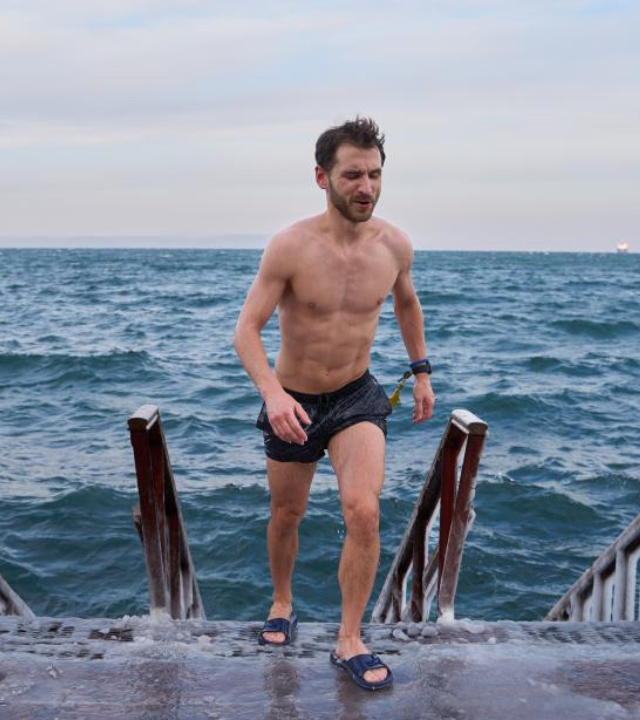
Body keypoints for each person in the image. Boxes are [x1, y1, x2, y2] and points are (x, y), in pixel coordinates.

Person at [233, 116, 435, 691]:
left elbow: (406, 305)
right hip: (292, 399)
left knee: (364, 510)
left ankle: (350, 638)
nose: (365, 187)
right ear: (322, 178)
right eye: (352, 175)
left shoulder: (395, 244)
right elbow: (246, 330)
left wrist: (420, 372)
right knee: (287, 515)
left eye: (374, 175)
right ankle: (281, 601)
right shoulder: (291, 246)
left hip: (356, 395)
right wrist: (271, 394)